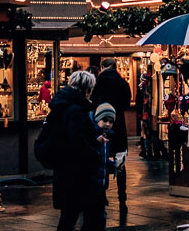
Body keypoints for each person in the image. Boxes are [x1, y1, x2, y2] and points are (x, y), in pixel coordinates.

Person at [48, 70, 103, 231]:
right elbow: (78, 143)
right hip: (77, 175)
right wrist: (96, 153)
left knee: (69, 215)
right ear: (87, 90)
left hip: (65, 172)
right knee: (87, 215)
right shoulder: (75, 111)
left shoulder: (61, 106)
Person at [92, 56, 131, 218]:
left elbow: (93, 102)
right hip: (119, 125)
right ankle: (122, 197)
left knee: (101, 158)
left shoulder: (98, 82)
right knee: (120, 160)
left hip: (101, 125)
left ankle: (102, 196)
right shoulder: (123, 83)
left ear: (103, 67)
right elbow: (127, 104)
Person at [89, 102, 117, 231]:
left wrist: (114, 165)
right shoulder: (94, 135)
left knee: (100, 215)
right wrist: (96, 143)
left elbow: (103, 160)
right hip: (93, 183)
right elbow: (90, 156)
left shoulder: (106, 137)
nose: (107, 124)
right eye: (104, 120)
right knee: (96, 216)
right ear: (97, 119)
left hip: (101, 183)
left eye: (110, 122)